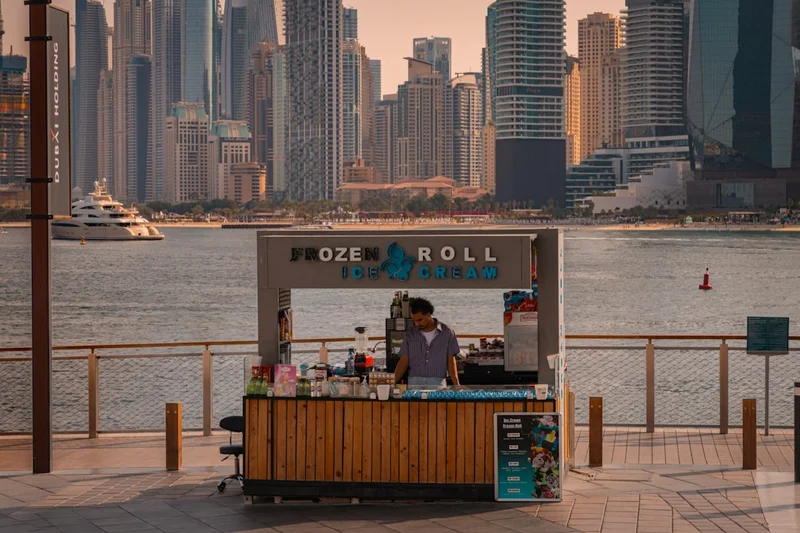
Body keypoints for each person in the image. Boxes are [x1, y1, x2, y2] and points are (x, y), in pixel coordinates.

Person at [393, 297, 463, 388]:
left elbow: (451, 361)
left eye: (420, 320)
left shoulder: (447, 333)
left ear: (429, 315)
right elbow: (403, 361)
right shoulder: (410, 334)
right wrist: (391, 382)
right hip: (414, 384)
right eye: (414, 321)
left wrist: (457, 385)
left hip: (438, 384)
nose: (417, 324)